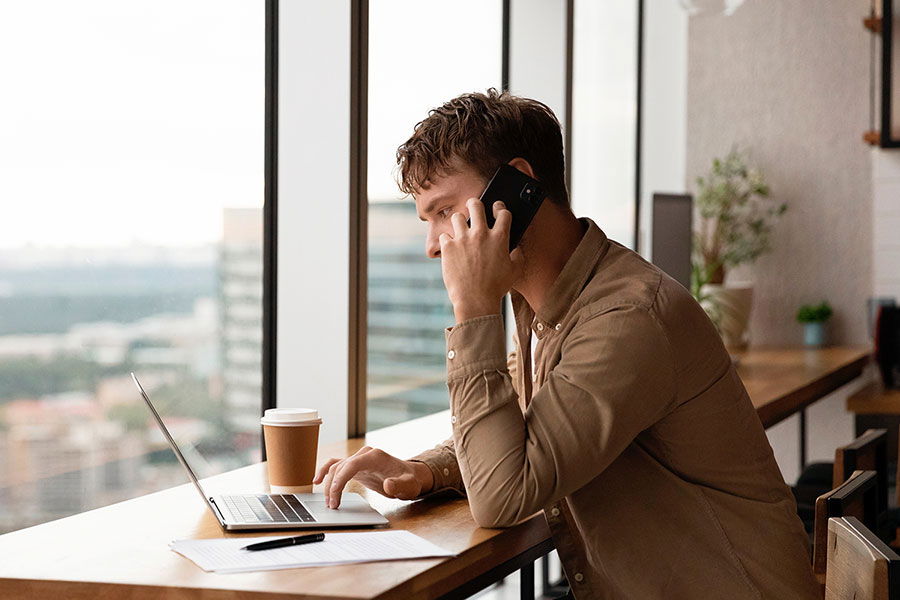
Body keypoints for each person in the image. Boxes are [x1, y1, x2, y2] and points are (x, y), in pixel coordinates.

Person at [313, 89, 819, 599]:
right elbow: (526, 427)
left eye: (445, 212)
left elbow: (504, 494)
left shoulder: (626, 318)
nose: (433, 246)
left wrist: (473, 309)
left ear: (518, 185)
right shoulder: (548, 306)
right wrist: (421, 471)